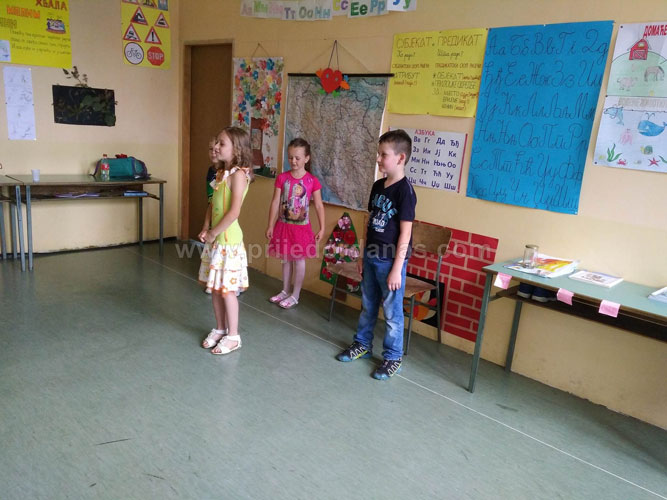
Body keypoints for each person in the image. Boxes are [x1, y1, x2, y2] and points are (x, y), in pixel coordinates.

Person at [336, 129, 417, 380]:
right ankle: (362, 344)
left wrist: (397, 268)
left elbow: (405, 233)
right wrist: (362, 255)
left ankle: (393, 357)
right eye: (379, 154)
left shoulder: (405, 192)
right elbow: (369, 221)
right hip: (371, 256)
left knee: (392, 313)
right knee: (368, 305)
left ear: (400, 158)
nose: (378, 159)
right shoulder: (378, 186)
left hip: (390, 262)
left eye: (384, 155)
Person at [198, 126, 254, 355]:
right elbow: (212, 204)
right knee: (215, 289)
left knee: (227, 291)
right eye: (217, 143)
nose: (217, 147)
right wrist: (206, 228)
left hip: (228, 243)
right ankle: (220, 328)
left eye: (222, 143)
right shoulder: (221, 173)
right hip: (216, 241)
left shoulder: (239, 175)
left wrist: (214, 233)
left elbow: (233, 212)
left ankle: (233, 336)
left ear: (237, 149)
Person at [266, 138, 325, 309]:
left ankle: (295, 295)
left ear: (307, 158)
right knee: (286, 259)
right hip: (284, 226)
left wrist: (322, 227)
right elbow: (275, 202)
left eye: (297, 158)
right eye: (290, 157)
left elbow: (319, 205)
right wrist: (270, 225)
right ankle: (285, 290)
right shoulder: (282, 178)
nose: (293, 161)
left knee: (299, 260)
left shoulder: (312, 181)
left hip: (301, 229)